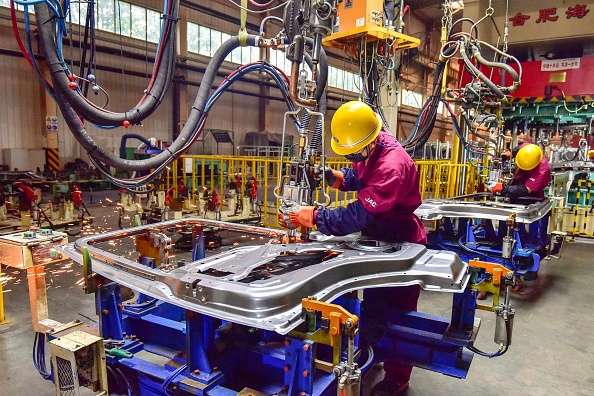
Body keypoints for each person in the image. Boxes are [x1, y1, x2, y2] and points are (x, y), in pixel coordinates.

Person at [278, 101, 426, 395]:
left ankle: (398, 376)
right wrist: (336, 178)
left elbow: (356, 215)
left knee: (397, 312)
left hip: (401, 238)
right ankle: (374, 351)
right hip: (376, 235)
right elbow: (361, 175)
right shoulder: (372, 140)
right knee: (374, 305)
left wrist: (314, 216)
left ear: (370, 142)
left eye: (355, 153)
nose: (354, 157)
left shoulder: (393, 166)